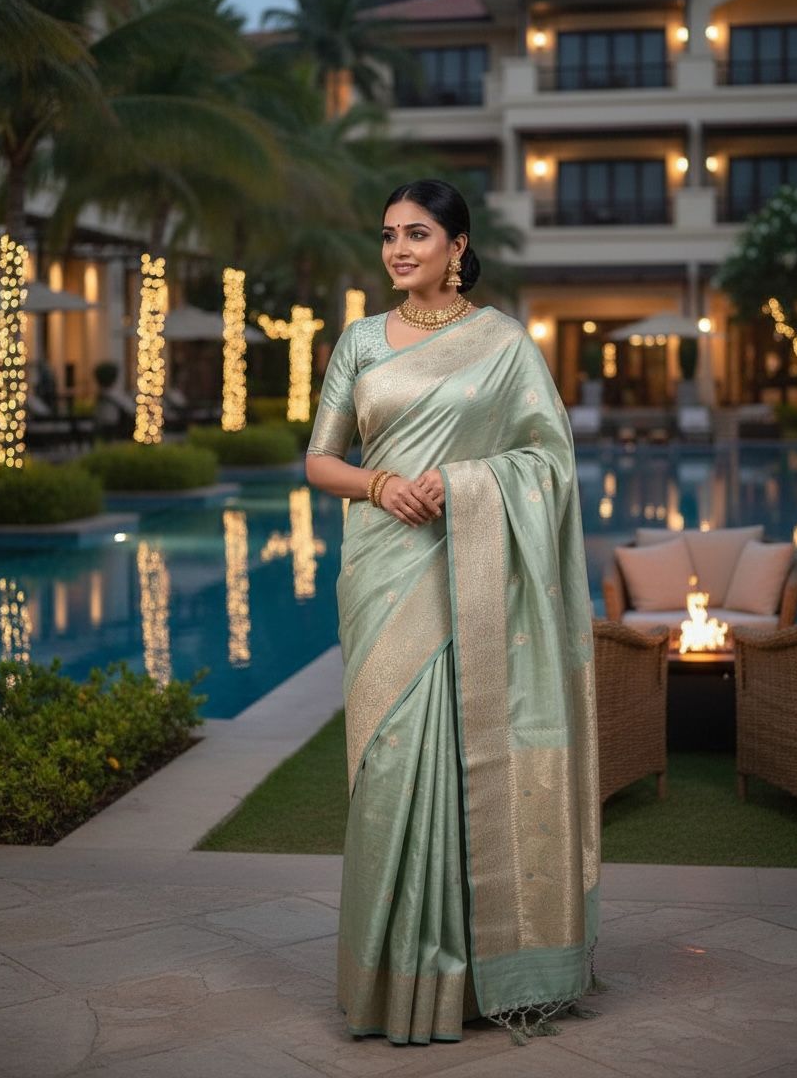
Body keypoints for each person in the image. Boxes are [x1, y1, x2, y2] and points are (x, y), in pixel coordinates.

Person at [304, 179, 600, 1047]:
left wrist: (472, 484)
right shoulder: (359, 341)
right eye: (390, 235)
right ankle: (390, 979)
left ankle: (475, 976)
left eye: (419, 235)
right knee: (392, 768)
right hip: (383, 570)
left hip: (469, 564)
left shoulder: (504, 344)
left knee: (471, 758)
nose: (399, 250)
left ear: (458, 246)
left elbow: (549, 459)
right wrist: (383, 482)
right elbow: (321, 462)